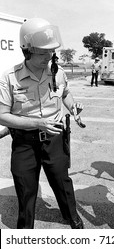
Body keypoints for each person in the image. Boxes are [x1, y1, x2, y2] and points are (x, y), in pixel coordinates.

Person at [0, 17, 84, 229]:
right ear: (27, 50)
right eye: (43, 52)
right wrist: (38, 124)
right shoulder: (10, 78)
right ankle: (25, 232)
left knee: (62, 182)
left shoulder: (58, 72)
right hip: (24, 143)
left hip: (55, 139)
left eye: (51, 51)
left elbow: (65, 93)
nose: (49, 56)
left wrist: (73, 108)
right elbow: (2, 115)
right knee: (25, 188)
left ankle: (72, 216)